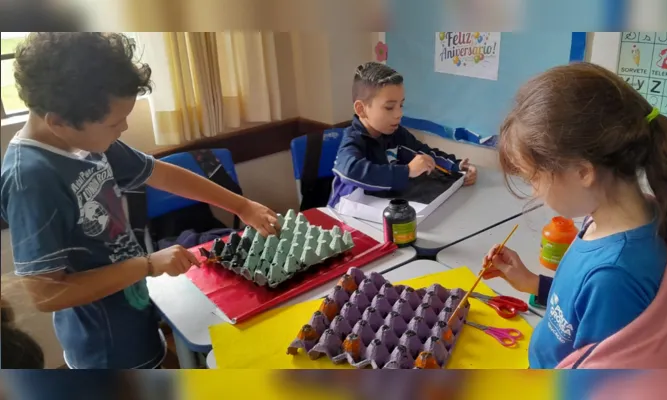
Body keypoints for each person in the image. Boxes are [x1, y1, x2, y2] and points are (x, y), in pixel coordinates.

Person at [0, 32, 279, 369]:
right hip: (104, 351)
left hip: (134, 314)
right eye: (115, 122)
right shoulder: (31, 178)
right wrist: (146, 265)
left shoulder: (84, 139)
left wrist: (241, 206)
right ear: (57, 121)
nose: (125, 128)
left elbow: (160, 173)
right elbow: (45, 294)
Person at [483, 62, 667, 368]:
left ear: (583, 172)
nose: (534, 192)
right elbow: (580, 311)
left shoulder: (614, 275)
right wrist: (531, 283)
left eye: (533, 178)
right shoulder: (625, 218)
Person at [328, 61, 477, 208]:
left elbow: (424, 153)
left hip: (381, 211)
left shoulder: (395, 132)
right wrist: (407, 171)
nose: (399, 114)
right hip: (347, 217)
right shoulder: (353, 139)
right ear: (361, 109)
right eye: (389, 107)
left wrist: (456, 165)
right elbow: (350, 171)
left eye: (401, 105)